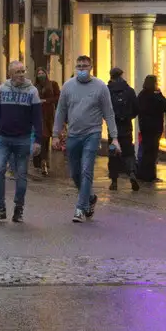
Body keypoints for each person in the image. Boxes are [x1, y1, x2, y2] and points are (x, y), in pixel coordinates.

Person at [55, 55, 119, 223]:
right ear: (76, 67)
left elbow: (109, 113)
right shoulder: (68, 86)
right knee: (75, 173)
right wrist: (56, 134)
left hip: (92, 133)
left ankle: (80, 208)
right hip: (73, 135)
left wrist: (114, 138)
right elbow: (61, 111)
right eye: (79, 66)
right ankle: (90, 198)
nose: (82, 69)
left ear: (91, 67)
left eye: (85, 66)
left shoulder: (100, 87)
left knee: (86, 170)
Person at [0, 60, 42, 223]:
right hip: (3, 138)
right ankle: (0, 207)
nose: (21, 75)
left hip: (23, 140)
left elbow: (37, 118)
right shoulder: (2, 89)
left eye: (23, 71)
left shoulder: (32, 91)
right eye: (18, 72)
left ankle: (18, 208)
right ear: (10, 74)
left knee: (21, 175)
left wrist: (37, 140)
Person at [106, 67, 140, 192]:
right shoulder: (129, 91)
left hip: (112, 127)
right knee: (128, 152)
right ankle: (131, 173)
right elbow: (136, 108)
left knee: (113, 153)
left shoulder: (107, 90)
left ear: (111, 76)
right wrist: (128, 117)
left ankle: (114, 181)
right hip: (126, 126)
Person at [137, 76, 166, 183]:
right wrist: (160, 93)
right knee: (152, 152)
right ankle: (150, 175)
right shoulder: (155, 96)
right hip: (155, 127)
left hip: (145, 127)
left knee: (146, 150)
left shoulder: (141, 95)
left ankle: (142, 173)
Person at [34, 69, 60, 175]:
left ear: (46, 73)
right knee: (41, 137)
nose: (41, 75)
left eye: (42, 73)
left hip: (49, 114)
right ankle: (41, 162)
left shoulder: (53, 84)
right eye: (39, 74)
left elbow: (58, 97)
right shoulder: (35, 86)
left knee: (46, 137)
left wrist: (46, 100)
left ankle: (44, 161)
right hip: (38, 114)